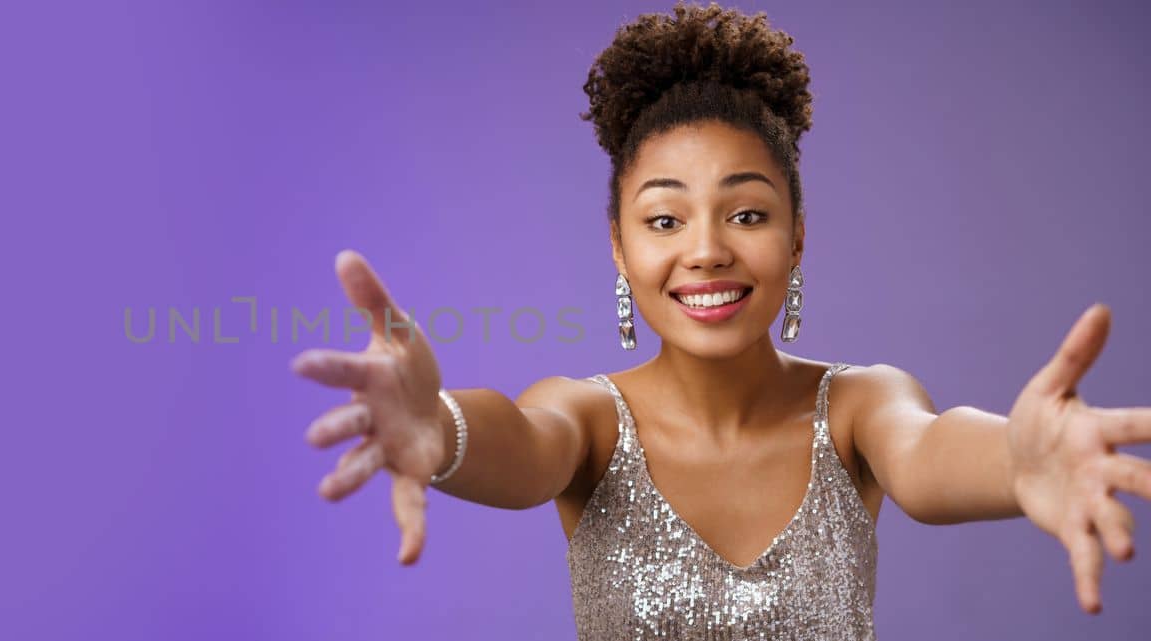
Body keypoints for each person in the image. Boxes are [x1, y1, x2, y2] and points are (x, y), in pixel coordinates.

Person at [288, 2, 1151, 639]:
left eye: (746, 214)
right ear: (620, 248)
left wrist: (1016, 458)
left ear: (796, 236)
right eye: (664, 220)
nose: (705, 250)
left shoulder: (859, 407)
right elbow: (517, 440)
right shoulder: (587, 421)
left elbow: (925, 456)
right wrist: (433, 429)